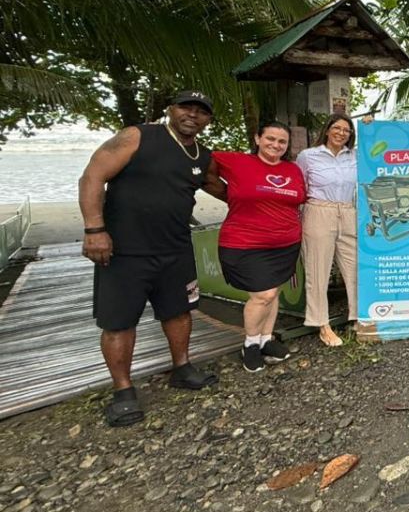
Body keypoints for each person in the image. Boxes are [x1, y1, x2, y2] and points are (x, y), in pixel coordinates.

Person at [79, 90, 224, 427]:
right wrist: (93, 230)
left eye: (201, 112)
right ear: (171, 109)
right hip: (125, 250)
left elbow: (221, 188)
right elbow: (92, 176)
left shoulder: (202, 155)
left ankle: (182, 367)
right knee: (118, 321)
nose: (192, 115)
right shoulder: (138, 136)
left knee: (179, 311)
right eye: (186, 107)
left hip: (175, 248)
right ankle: (123, 390)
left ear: (208, 120)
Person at [207, 121, 306, 373]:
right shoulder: (236, 161)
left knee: (272, 292)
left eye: (281, 141)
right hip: (244, 242)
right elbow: (198, 161)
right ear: (257, 138)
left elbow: (299, 199)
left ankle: (266, 340)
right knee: (262, 295)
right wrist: (223, 192)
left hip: (285, 243)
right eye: (270, 139)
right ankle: (250, 344)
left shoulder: (292, 170)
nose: (276, 145)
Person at [295, 113, 358, 348]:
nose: (342, 133)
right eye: (337, 128)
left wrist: (372, 127)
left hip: (348, 211)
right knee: (317, 269)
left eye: (347, 130)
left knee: (354, 267)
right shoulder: (308, 156)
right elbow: (299, 186)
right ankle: (322, 324)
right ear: (328, 129)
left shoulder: (354, 156)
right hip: (318, 211)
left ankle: (357, 317)